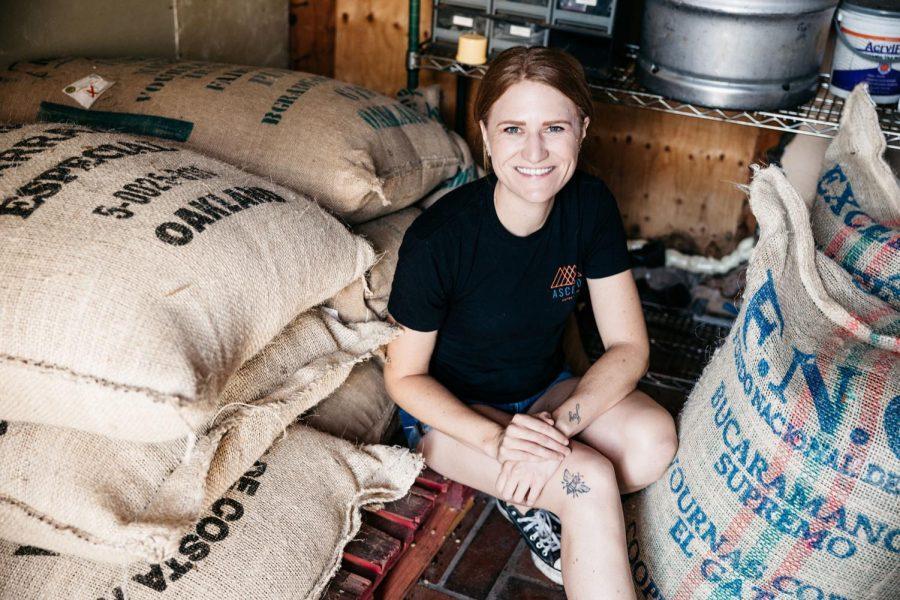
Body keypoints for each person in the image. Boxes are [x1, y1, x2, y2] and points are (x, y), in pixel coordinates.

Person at [383, 46, 677, 599]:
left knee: (653, 441)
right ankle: (538, 495)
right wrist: (500, 442)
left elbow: (628, 348)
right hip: (456, 418)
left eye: (555, 127)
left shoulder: (590, 205)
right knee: (587, 481)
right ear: (486, 135)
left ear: (582, 130)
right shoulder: (438, 240)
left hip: (546, 394)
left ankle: (529, 494)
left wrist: (556, 428)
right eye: (514, 128)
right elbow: (403, 379)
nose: (535, 150)